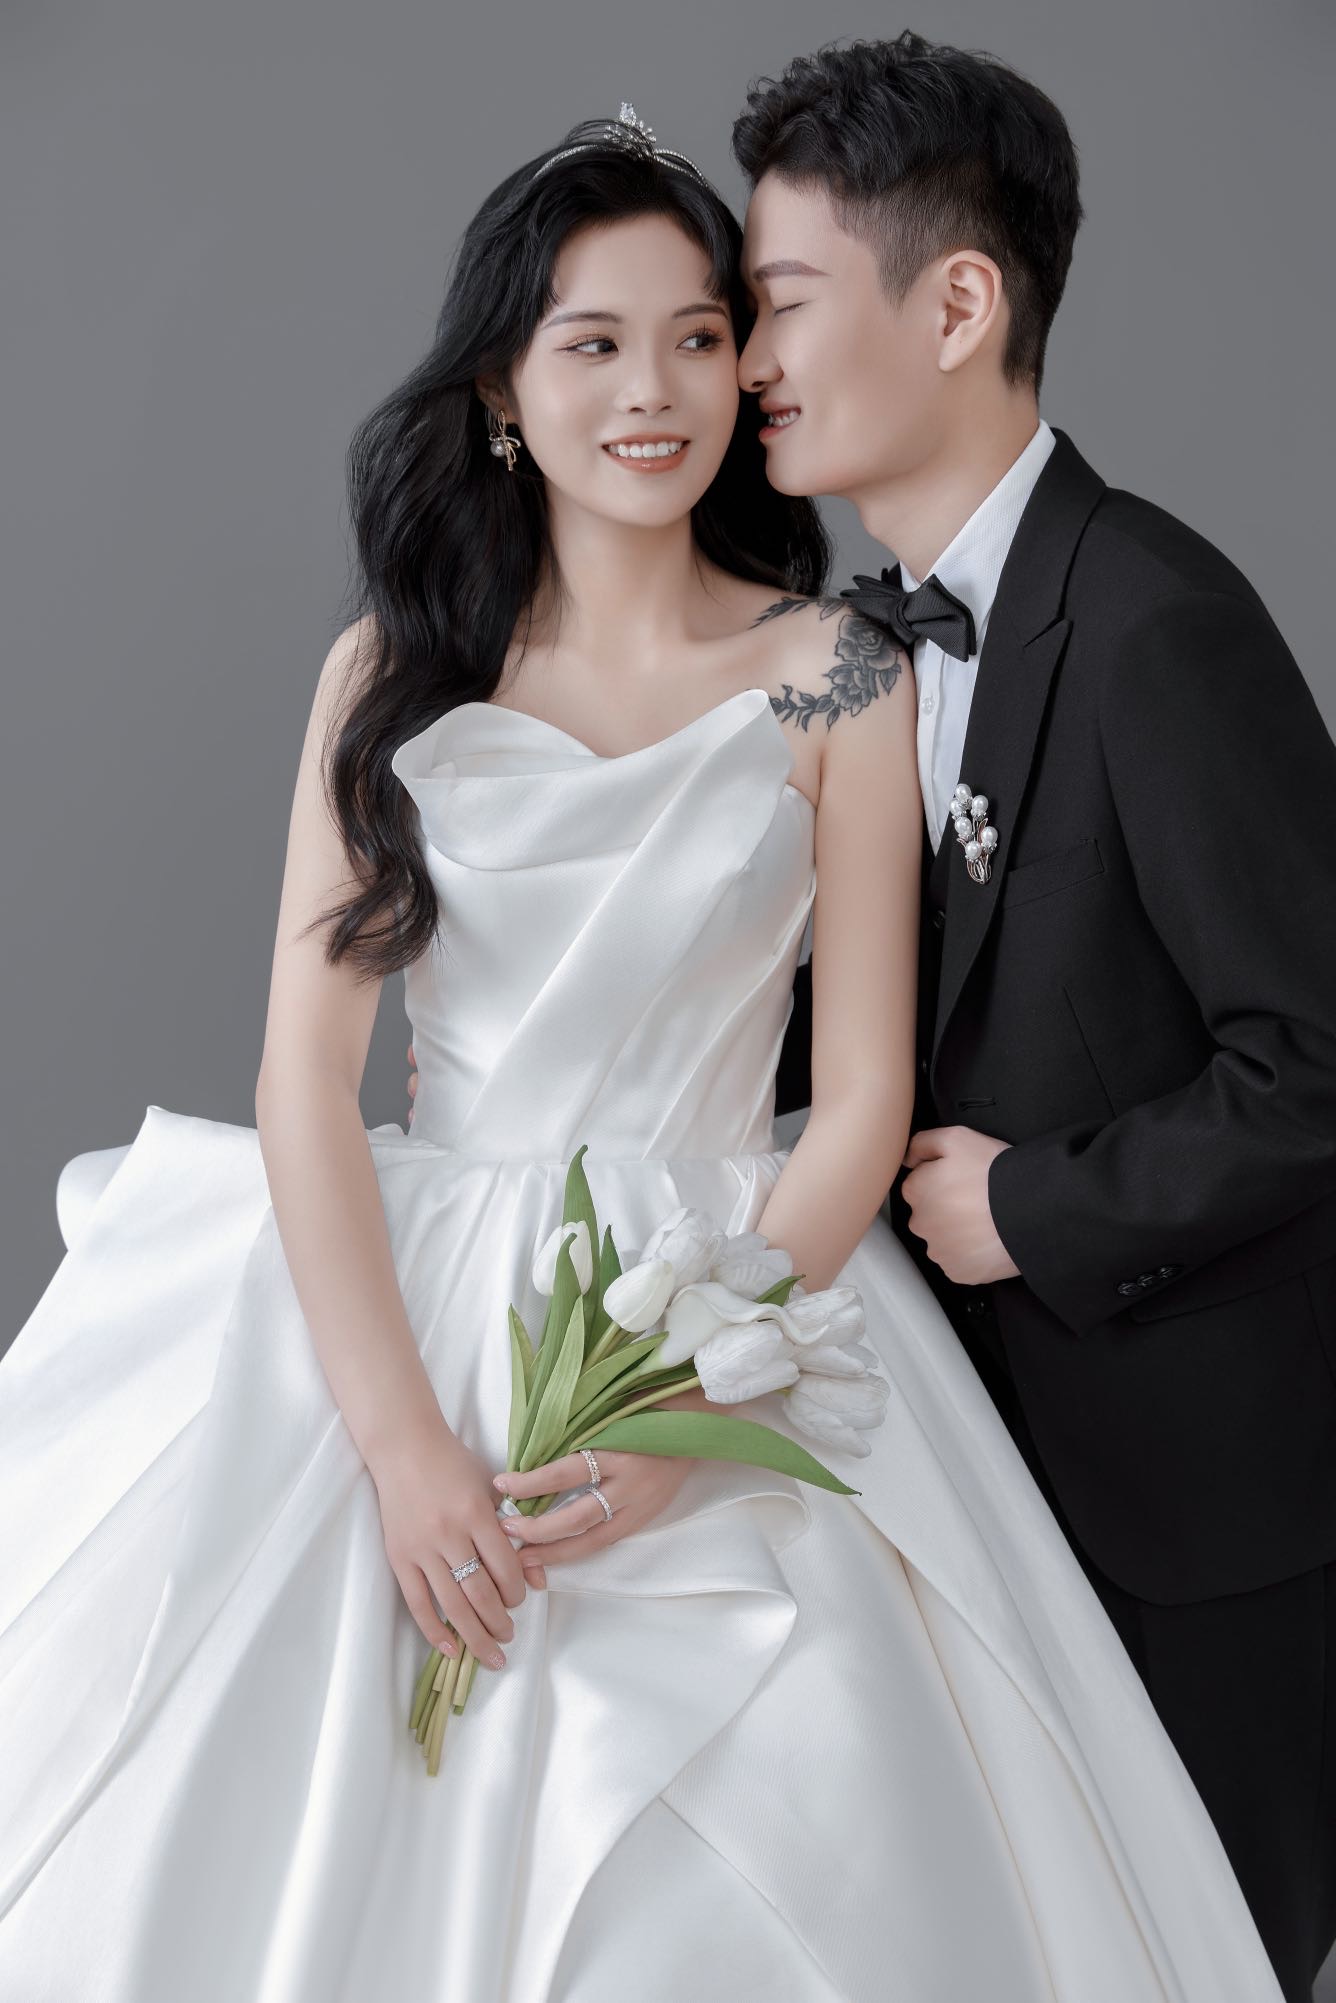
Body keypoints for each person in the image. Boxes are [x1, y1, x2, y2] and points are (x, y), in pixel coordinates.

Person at [0, 106, 1286, 2003]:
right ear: (502, 392)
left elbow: (862, 1097)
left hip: (736, 1286)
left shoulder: (843, 670)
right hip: (423, 1301)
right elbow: (302, 1084)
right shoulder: (388, 674)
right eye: (593, 343)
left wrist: (694, 1405)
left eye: (700, 335)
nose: (657, 388)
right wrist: (404, 1449)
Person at [720, 33, 1336, 2003]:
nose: (748, 363)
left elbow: (1318, 1062)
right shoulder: (849, 652)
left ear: (958, 302)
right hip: (960, 1490)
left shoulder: (1154, 618)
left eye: (782, 302)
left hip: (1198, 1525)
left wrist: (1040, 1205)